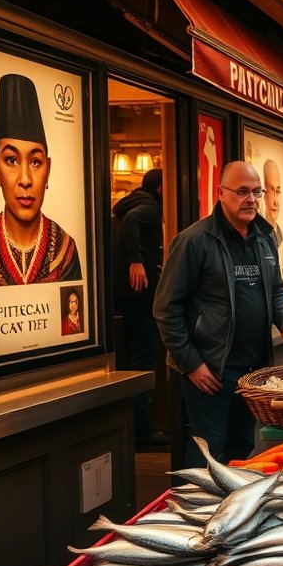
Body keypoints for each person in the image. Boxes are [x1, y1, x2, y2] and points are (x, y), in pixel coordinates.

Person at [154, 160, 283, 468]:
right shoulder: (194, 241)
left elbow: (277, 290)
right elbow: (166, 309)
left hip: (254, 372)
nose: (251, 199)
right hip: (212, 371)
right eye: (243, 191)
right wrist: (191, 364)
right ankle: (197, 513)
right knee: (208, 453)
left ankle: (228, 514)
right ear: (221, 193)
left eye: (256, 191)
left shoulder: (265, 237)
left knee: (242, 447)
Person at [0, 73, 81, 286]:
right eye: (11, 160)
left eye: (36, 162)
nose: (25, 179)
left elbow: (72, 318)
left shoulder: (63, 248)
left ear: (47, 169)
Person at [112, 167, 168, 446]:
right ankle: (143, 430)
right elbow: (131, 223)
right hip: (140, 295)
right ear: (161, 189)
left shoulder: (132, 202)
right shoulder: (148, 207)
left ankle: (139, 426)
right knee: (145, 356)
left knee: (137, 357)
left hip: (126, 295)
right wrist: (137, 261)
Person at [261, 160, 283, 247]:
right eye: (271, 190)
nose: (276, 201)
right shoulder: (257, 232)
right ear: (264, 193)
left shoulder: (280, 235)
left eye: (278, 191)